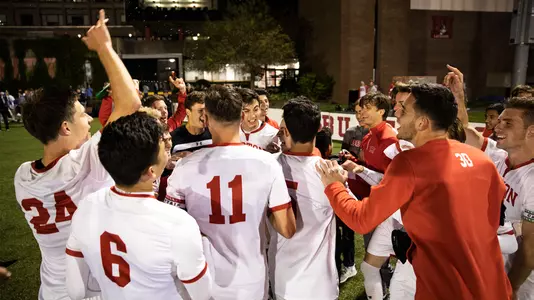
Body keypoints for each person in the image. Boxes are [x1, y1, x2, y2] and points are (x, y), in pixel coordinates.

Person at [316, 83, 512, 300]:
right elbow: (494, 221)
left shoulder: (409, 163)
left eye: (404, 109)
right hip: (494, 286)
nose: (397, 113)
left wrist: (334, 185)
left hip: (447, 288)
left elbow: (361, 219)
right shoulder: (481, 159)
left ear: (422, 122)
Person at [13, 10, 141, 300]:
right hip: (93, 288)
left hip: (53, 288)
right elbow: (131, 103)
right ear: (66, 126)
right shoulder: (85, 162)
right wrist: (104, 47)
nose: (91, 122)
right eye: (84, 115)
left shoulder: (22, 176)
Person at [165, 85, 296, 300]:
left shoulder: (184, 167)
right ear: (241, 115)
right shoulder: (267, 163)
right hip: (250, 280)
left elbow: (172, 232)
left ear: (206, 117)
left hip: (200, 280)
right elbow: (287, 228)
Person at [65, 112, 212, 300]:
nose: (167, 149)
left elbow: (76, 290)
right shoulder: (177, 223)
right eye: (162, 148)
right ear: (151, 171)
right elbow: (203, 294)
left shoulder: (87, 206)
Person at [448, 65, 534, 300]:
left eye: (508, 123)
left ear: (532, 131)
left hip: (524, 282)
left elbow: (530, 250)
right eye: (500, 121)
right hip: (495, 269)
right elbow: (465, 131)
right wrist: (459, 96)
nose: (497, 127)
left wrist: (512, 287)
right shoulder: (500, 156)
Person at [269, 97, 338, 300]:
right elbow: (360, 218)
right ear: (318, 128)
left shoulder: (267, 166)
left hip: (281, 278)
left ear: (287, 132)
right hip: (319, 285)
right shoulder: (332, 174)